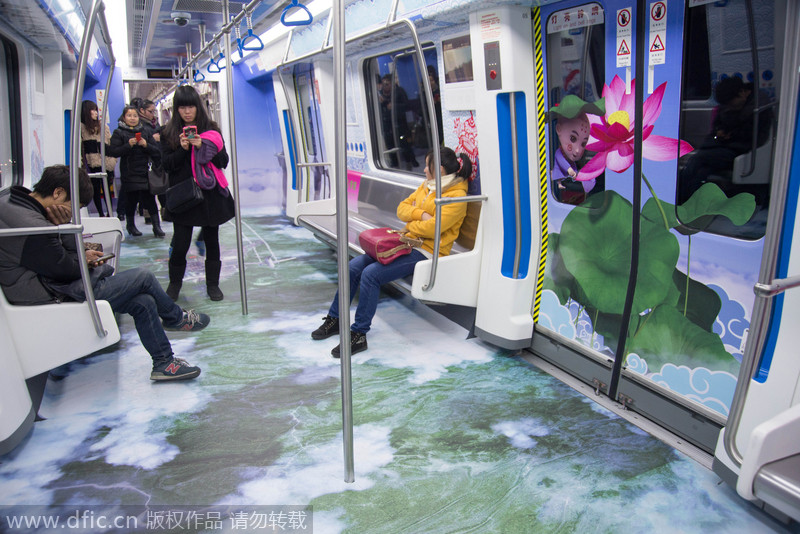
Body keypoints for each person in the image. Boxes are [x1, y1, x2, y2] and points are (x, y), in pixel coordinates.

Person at [0, 165, 209, 381]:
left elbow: (54, 258)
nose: (72, 214)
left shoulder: (17, 203)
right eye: (74, 207)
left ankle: (163, 363)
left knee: (144, 302)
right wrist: (65, 229)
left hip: (49, 283)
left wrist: (73, 245)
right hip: (48, 293)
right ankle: (174, 318)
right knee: (143, 277)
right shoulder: (33, 226)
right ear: (58, 193)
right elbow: (67, 270)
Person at [311, 147, 472, 357]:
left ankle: (359, 334)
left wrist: (413, 223)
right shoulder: (429, 186)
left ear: (440, 170)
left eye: (428, 167)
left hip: (427, 251)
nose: (423, 170)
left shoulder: (456, 197)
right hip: (405, 242)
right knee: (352, 267)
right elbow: (401, 209)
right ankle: (336, 318)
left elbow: (434, 228)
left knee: (371, 274)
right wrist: (421, 215)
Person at [161, 85, 235, 302]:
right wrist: (183, 150)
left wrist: (205, 147)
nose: (186, 111)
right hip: (184, 196)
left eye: (190, 106)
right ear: (176, 109)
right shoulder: (168, 133)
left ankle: (213, 285)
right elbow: (166, 165)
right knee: (181, 243)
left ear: (198, 107)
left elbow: (223, 161)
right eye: (182, 107)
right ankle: (174, 285)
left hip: (209, 196)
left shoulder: (211, 130)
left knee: (212, 241)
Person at [108, 105, 165, 237]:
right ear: (124, 117)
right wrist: (128, 145)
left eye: (135, 116)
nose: (132, 119)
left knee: (150, 199)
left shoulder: (145, 131)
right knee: (131, 200)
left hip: (145, 172)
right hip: (129, 172)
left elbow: (156, 150)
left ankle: (157, 226)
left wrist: (146, 145)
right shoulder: (119, 133)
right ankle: (130, 225)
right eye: (129, 116)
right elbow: (113, 151)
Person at [549, 95, 604, 205]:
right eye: (573, 138)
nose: (578, 150)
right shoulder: (559, 153)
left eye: (584, 143)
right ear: (558, 129)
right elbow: (561, 162)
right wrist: (569, 169)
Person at [80, 100, 117, 217]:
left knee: (107, 189)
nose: (96, 112)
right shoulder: (82, 128)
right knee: (96, 189)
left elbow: (110, 144)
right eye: (93, 110)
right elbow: (81, 148)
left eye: (96, 110)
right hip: (93, 164)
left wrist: (113, 160)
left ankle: (109, 213)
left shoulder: (103, 126)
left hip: (107, 162)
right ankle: (101, 213)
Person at [378, 74, 418, 170]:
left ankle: (409, 162)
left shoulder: (399, 92)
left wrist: (394, 106)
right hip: (387, 125)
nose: (385, 86)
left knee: (404, 145)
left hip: (400, 123)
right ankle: (395, 166)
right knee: (390, 146)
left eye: (387, 84)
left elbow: (407, 106)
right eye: (383, 84)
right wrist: (381, 103)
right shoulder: (380, 95)